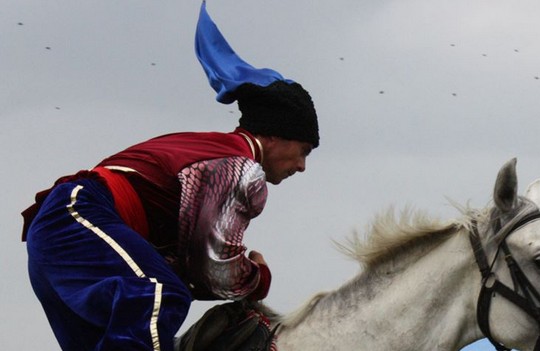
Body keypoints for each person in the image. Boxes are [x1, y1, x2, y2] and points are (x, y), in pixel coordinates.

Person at [21, 2, 318, 350]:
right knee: (159, 294)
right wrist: (258, 278)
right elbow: (214, 266)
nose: (301, 166)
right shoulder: (239, 166)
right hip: (77, 218)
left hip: (61, 234)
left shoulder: (213, 148)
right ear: (275, 135)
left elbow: (191, 265)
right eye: (305, 150)